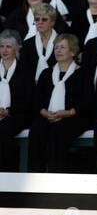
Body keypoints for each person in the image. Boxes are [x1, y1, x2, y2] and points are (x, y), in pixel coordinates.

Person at [28, 34, 90, 172]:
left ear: (73, 51)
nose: (58, 50)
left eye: (62, 47)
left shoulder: (83, 73)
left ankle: (56, 175)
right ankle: (34, 175)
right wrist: (44, 112)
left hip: (74, 117)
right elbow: (36, 100)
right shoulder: (46, 73)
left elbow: (87, 102)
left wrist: (68, 113)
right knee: (37, 129)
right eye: (56, 47)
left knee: (59, 130)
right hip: (48, 115)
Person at [0, 29, 33, 171]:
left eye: (8, 46)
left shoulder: (25, 70)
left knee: (4, 129)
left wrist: (8, 111)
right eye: (1, 46)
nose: (4, 50)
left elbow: (29, 100)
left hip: (17, 114)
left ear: (17, 48)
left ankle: (6, 172)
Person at [20, 3, 58, 83]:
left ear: (52, 22)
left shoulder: (61, 42)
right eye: (37, 19)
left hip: (55, 85)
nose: (40, 22)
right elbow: (23, 71)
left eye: (44, 19)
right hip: (32, 88)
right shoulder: (27, 44)